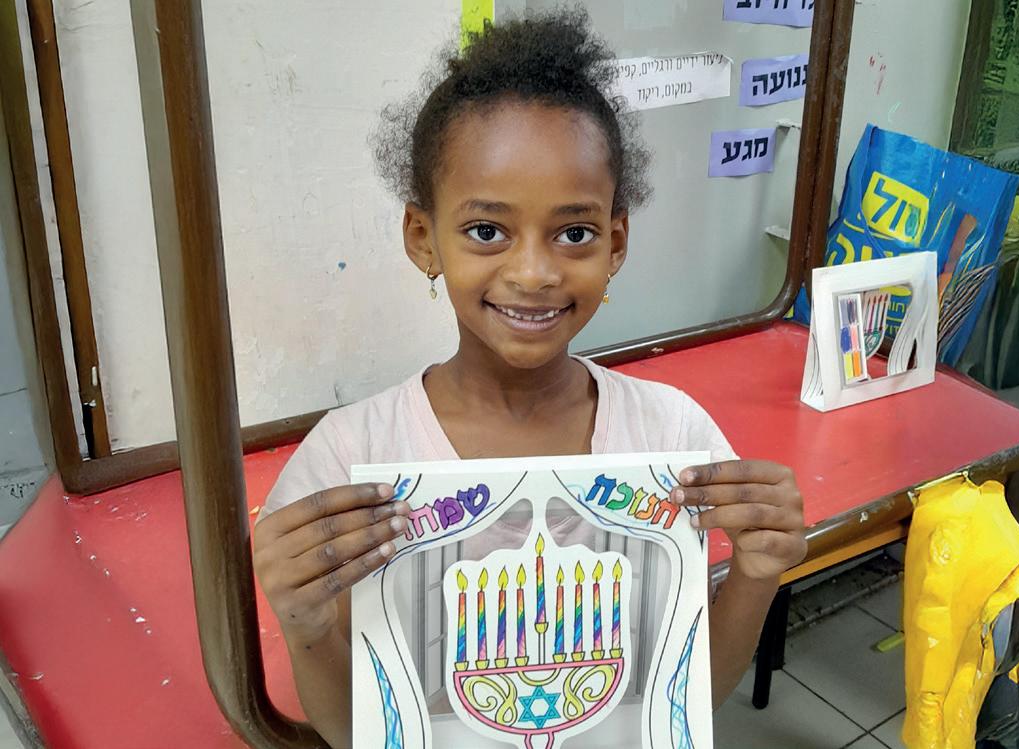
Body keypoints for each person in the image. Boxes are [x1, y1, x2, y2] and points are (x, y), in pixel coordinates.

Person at [253, 9, 806, 747]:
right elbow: (358, 732)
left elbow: (683, 703)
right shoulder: (349, 460)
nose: (534, 272)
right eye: (487, 231)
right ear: (423, 238)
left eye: (574, 233)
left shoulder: (673, 435)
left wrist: (757, 574)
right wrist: (306, 624)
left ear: (615, 242)